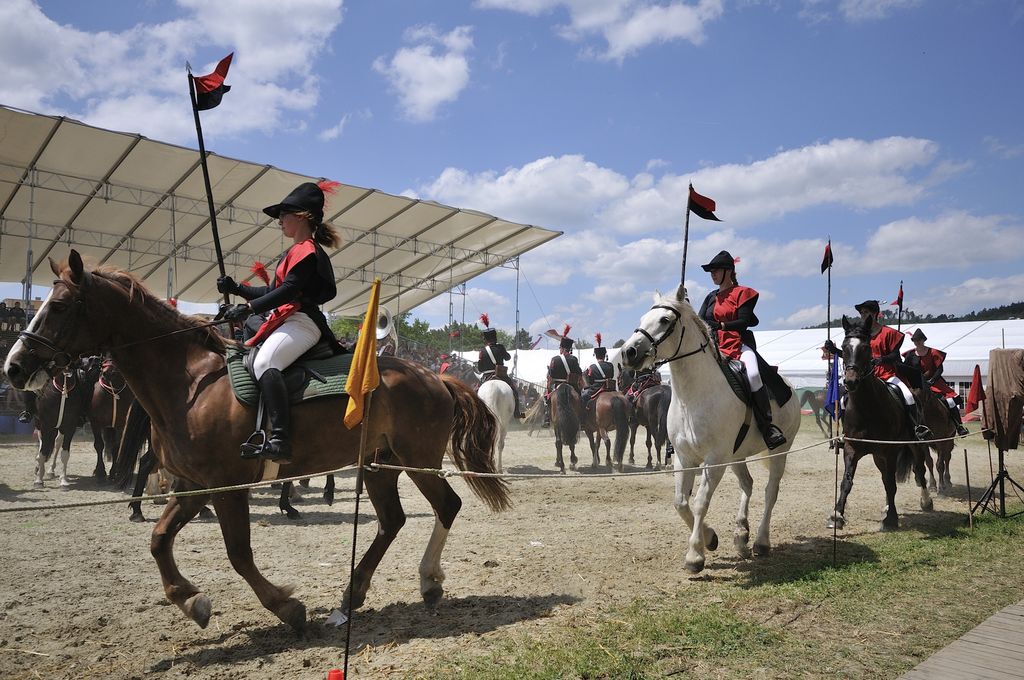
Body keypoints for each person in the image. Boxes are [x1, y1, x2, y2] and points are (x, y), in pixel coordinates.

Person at [217, 181, 341, 462]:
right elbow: (272, 291)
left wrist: (249, 308)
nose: (280, 222)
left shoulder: (307, 250)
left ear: (300, 216)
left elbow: (288, 291)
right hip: (286, 320)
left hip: (302, 322)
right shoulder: (294, 251)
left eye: (283, 216)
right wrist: (237, 288)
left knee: (264, 363)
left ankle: (281, 439)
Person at [697, 250, 786, 450]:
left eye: (716, 270)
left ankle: (767, 427)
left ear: (728, 271)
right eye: (710, 271)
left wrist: (721, 326)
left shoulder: (743, 293)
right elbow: (700, 320)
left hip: (737, 345)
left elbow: (744, 321)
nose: (712, 274)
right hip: (714, 345)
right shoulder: (710, 297)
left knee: (753, 374)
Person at [848, 300, 931, 440]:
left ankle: (918, 427)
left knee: (909, 396)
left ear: (875, 314)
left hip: (887, 374)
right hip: (866, 376)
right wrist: (835, 350)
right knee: (845, 397)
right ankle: (848, 431)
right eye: (861, 313)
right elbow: (852, 355)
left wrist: (882, 359)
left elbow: (895, 355)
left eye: (866, 312)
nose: (863, 315)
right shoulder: (859, 336)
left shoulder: (889, 333)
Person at [903, 328, 969, 436]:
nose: (917, 342)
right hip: (916, 384)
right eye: (915, 340)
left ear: (923, 340)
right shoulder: (910, 355)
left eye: (919, 340)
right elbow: (906, 369)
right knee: (907, 399)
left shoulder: (933, 352)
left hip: (934, 383)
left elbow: (939, 369)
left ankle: (959, 426)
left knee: (950, 401)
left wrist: (932, 380)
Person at [476, 314, 524, 418]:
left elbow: (480, 368)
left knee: (476, 392)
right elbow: (507, 358)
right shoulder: (500, 347)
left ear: (486, 339)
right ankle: (517, 413)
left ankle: (476, 414)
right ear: (495, 338)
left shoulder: (482, 351)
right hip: (501, 375)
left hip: (486, 376)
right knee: (514, 390)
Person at [543, 327, 582, 427]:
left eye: (560, 348)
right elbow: (579, 373)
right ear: (569, 349)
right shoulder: (574, 359)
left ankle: (547, 417)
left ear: (562, 348)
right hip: (571, 385)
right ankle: (582, 418)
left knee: (546, 398)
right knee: (580, 398)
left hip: (557, 385)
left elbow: (551, 375)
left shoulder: (555, 359)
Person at [581, 333, 616, 413]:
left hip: (595, 389)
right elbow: (612, 375)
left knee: (583, 397)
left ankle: (583, 420)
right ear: (604, 355)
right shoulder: (610, 365)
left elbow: (590, 380)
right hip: (609, 388)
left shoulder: (592, 367)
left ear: (596, 356)